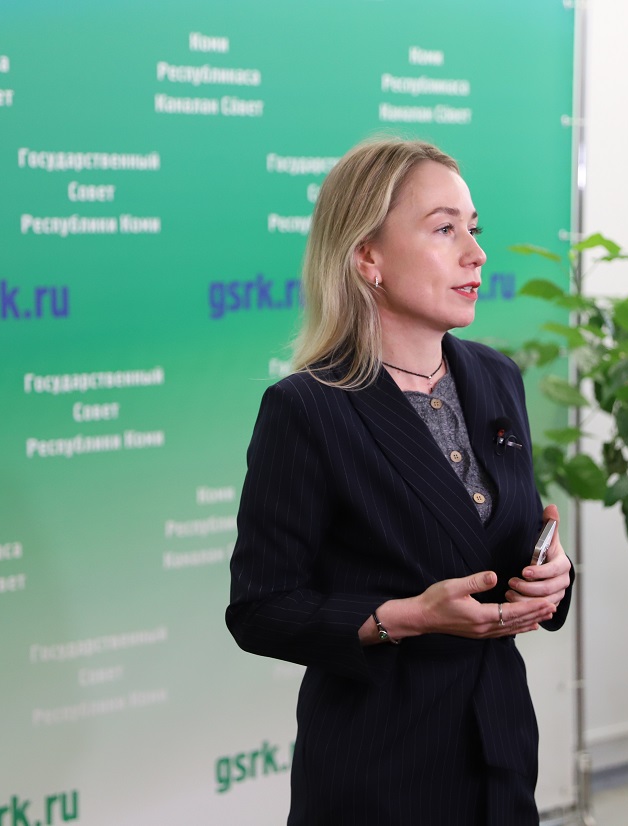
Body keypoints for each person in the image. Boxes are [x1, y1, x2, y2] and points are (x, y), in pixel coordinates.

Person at [225, 138, 574, 826]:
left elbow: (504, 543)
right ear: (368, 257)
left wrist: (552, 576)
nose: (476, 253)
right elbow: (260, 608)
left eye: (474, 229)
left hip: (501, 755)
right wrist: (406, 617)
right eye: (445, 230)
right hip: (379, 771)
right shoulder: (307, 408)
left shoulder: (496, 376)